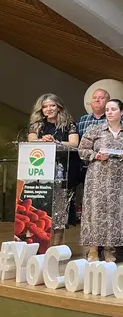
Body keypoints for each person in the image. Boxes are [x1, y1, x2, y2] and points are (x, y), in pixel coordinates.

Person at [78, 99, 123, 262]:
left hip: (121, 178)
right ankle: (93, 249)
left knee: (116, 212)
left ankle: (110, 248)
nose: (109, 112)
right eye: (107, 110)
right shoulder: (95, 129)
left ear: (122, 112)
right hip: (98, 177)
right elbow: (82, 150)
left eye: (113, 109)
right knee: (97, 211)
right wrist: (96, 155)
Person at [27, 93, 80, 246]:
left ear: (59, 107)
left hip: (62, 172)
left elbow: (74, 143)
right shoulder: (36, 124)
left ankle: (55, 247)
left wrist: (56, 142)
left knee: (59, 210)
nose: (48, 109)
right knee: (37, 209)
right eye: (45, 107)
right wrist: (42, 140)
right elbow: (31, 141)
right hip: (40, 171)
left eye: (52, 105)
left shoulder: (69, 124)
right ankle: (37, 245)